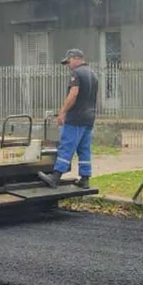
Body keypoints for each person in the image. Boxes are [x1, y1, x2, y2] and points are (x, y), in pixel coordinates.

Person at [38, 49, 98, 189]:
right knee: (84, 148)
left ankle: (55, 177)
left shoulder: (76, 73)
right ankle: (85, 179)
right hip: (89, 118)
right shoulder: (93, 74)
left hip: (75, 117)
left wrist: (62, 112)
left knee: (66, 146)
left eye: (69, 61)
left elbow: (73, 94)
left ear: (76, 58)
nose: (68, 65)